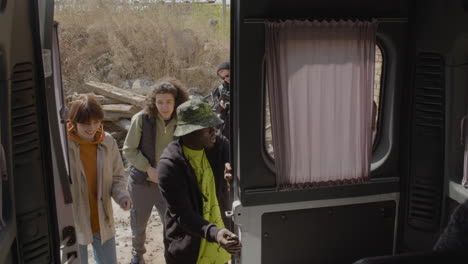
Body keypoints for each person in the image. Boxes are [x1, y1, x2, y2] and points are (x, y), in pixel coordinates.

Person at [157, 99, 242, 264]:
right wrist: (215, 233)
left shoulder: (217, 145)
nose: (214, 131)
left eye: (214, 126)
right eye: (207, 127)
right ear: (188, 132)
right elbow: (183, 215)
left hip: (219, 248)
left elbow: (232, 161)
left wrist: (233, 170)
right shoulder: (169, 166)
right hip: (189, 250)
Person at [122, 79, 189, 264]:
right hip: (142, 182)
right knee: (138, 223)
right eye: (160, 102)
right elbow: (129, 150)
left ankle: (172, 254)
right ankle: (138, 254)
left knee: (173, 224)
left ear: (176, 101)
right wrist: (148, 169)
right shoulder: (141, 119)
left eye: (168, 102)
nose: (164, 106)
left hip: (170, 184)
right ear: (153, 102)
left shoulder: (182, 121)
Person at [67, 96, 132, 264]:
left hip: (102, 216)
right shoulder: (63, 143)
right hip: (74, 219)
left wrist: (122, 197)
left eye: (96, 122)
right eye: (86, 123)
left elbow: (118, 176)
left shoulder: (108, 141)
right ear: (74, 121)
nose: (92, 128)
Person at [212, 61, 231, 140]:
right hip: (226, 130)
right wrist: (220, 105)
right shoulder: (220, 89)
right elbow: (213, 110)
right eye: (223, 78)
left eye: (227, 75)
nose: (226, 79)